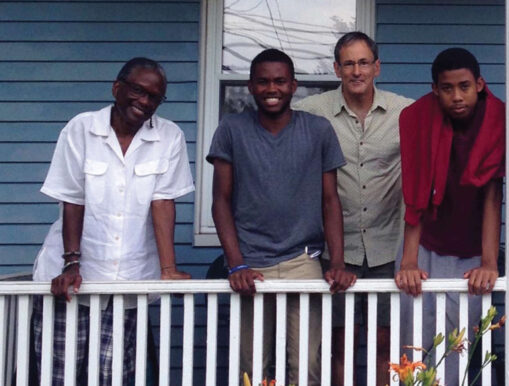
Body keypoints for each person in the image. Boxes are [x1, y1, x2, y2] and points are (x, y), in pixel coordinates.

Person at [32, 57, 194, 384]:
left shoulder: (169, 136)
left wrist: (167, 270)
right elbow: (73, 199)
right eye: (138, 91)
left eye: (154, 97)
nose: (145, 102)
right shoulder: (82, 128)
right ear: (117, 88)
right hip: (72, 279)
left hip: (128, 280)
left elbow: (162, 202)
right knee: (59, 376)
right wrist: (71, 264)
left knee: (112, 376)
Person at [207, 48, 355, 385]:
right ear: (250, 86)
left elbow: (331, 201)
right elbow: (220, 201)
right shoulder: (232, 128)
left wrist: (338, 262)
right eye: (262, 82)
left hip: (302, 260)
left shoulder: (317, 130)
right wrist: (236, 264)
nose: (271, 89)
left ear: (293, 85)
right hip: (250, 263)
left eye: (279, 81)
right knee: (250, 366)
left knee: (307, 366)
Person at [293, 31, 413, 385]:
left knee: (385, 343)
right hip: (335, 249)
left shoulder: (405, 112)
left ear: (377, 67)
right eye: (348, 63)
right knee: (338, 343)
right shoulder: (311, 113)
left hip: (389, 244)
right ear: (336, 68)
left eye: (363, 62)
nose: (356, 71)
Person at [395, 47, 505, 386]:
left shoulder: (497, 119)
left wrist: (489, 262)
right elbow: (416, 192)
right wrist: (408, 262)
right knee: (414, 340)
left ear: (480, 84)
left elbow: (491, 194)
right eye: (447, 88)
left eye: (464, 86)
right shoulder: (419, 118)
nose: (456, 96)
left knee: (457, 343)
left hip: (471, 250)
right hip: (425, 242)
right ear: (434, 89)